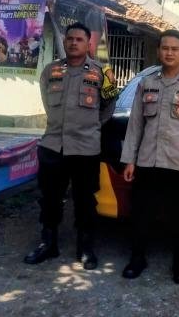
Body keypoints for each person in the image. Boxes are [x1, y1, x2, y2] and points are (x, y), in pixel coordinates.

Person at [24, 22, 118, 269]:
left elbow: (108, 107)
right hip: (53, 146)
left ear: (89, 44)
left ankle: (85, 247)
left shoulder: (101, 74)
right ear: (64, 42)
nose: (73, 42)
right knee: (49, 198)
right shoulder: (50, 71)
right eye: (70, 39)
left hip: (85, 149)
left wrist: (90, 127)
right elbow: (47, 102)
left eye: (79, 39)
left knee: (85, 200)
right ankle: (48, 243)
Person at [120, 29, 179, 284]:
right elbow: (135, 125)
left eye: (174, 49)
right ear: (159, 51)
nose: (169, 52)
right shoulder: (146, 83)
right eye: (165, 48)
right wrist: (130, 160)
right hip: (147, 162)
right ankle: (137, 258)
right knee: (140, 213)